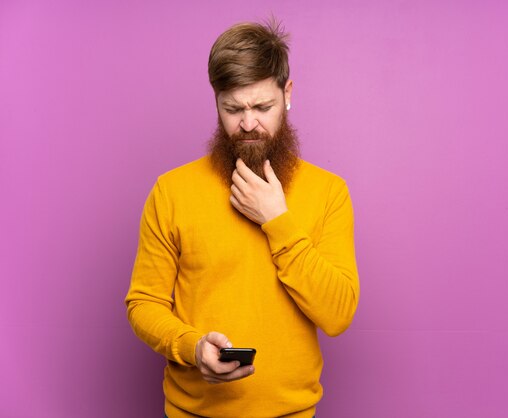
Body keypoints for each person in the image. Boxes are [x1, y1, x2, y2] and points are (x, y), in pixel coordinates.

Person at [125, 18, 359, 418]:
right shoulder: (172, 190)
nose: (248, 123)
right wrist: (191, 347)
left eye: (262, 107)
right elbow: (143, 303)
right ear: (215, 100)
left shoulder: (329, 192)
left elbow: (338, 316)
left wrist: (277, 220)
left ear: (287, 94)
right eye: (233, 108)